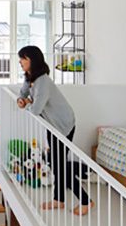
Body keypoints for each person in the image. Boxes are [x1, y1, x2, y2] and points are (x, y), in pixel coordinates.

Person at [17, 45, 94, 215]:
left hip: (63, 125)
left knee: (59, 166)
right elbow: (22, 94)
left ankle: (85, 201)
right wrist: (23, 99)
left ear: (33, 61)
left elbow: (36, 110)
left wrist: (28, 103)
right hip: (51, 124)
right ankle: (58, 199)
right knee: (56, 162)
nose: (20, 61)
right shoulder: (31, 78)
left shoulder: (43, 81)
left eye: (24, 58)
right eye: (20, 58)